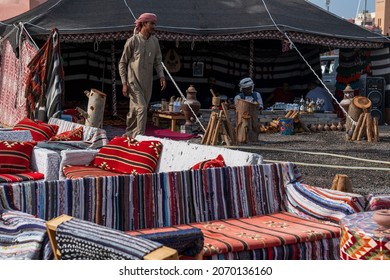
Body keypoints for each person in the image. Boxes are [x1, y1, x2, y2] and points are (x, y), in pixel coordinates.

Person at [119, 13, 166, 138]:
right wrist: (124, 82)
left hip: (147, 83)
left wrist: (161, 76)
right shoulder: (133, 41)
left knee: (135, 111)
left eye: (154, 24)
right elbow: (122, 63)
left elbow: (158, 61)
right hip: (133, 81)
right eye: (151, 24)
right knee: (142, 108)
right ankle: (140, 137)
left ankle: (129, 134)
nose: (154, 26)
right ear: (144, 24)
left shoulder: (155, 42)